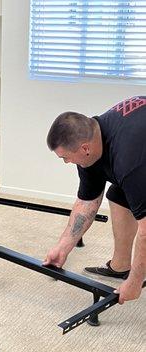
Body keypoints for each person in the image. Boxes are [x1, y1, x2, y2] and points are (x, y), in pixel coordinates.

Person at [44, 96, 146, 305]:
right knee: (118, 194)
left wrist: (136, 282)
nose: (66, 162)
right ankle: (121, 266)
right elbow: (87, 203)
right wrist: (62, 248)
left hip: (139, 155)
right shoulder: (92, 141)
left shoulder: (129, 162)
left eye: (65, 157)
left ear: (84, 149)